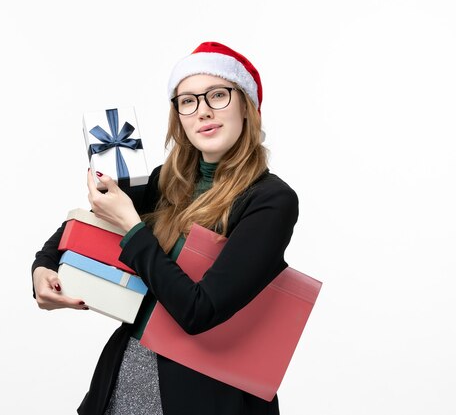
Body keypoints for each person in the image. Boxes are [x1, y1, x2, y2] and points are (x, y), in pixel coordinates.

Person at [31, 41, 299, 415]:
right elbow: (82, 226)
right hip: (125, 380)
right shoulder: (167, 181)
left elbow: (198, 312)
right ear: (179, 116)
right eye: (188, 101)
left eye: (218, 95)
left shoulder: (270, 201)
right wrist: (42, 268)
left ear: (246, 107)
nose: (203, 110)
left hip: (208, 397)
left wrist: (132, 225)